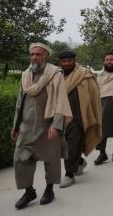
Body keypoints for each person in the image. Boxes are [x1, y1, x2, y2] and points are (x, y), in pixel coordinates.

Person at [11, 43, 72, 209]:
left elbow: (60, 101)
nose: (34, 57)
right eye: (32, 54)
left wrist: (56, 125)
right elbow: (19, 103)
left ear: (46, 56)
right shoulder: (25, 75)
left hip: (48, 125)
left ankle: (49, 189)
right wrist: (16, 127)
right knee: (20, 159)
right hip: (26, 126)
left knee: (51, 159)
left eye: (38, 54)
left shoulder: (55, 74)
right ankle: (29, 191)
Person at [58, 51, 102, 189]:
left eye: (69, 61)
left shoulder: (84, 74)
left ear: (74, 60)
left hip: (78, 116)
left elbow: (94, 94)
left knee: (71, 146)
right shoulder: (57, 76)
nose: (66, 64)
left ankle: (69, 174)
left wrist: (91, 115)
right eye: (64, 61)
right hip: (59, 116)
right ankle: (79, 162)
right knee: (60, 146)